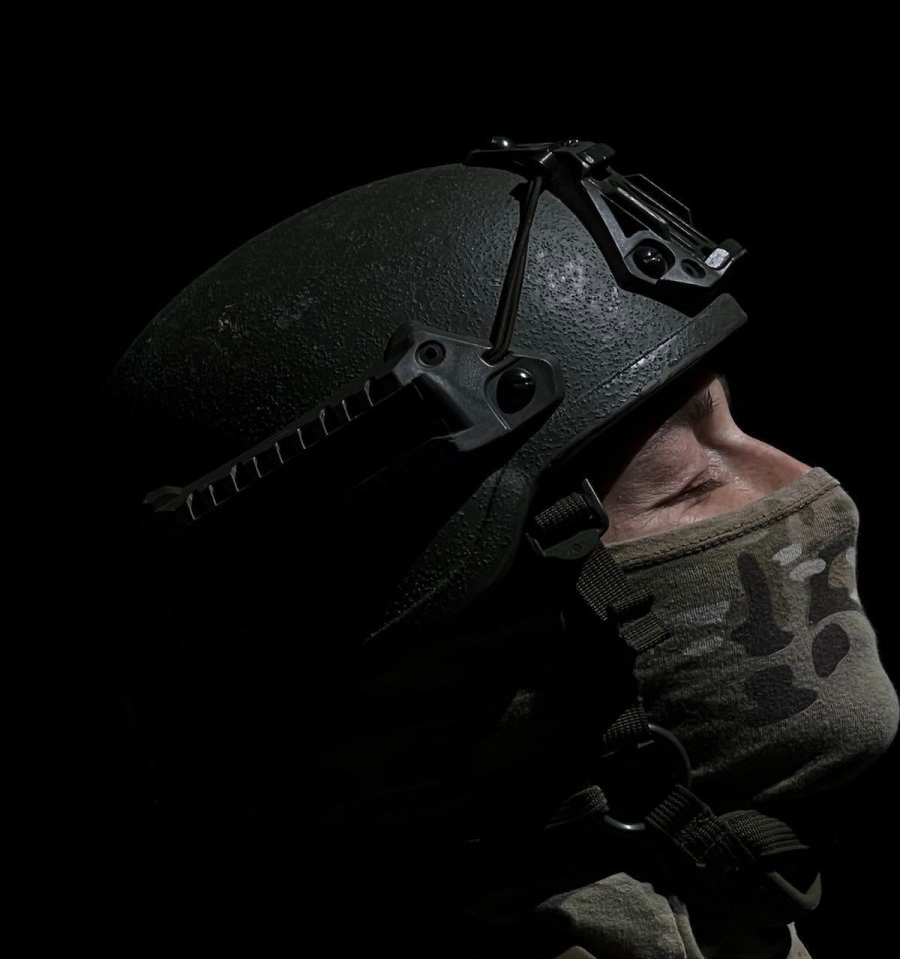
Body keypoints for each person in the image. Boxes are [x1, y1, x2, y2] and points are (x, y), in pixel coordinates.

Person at [81, 138, 898, 957]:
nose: (806, 486)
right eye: (685, 483)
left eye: (735, 429)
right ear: (455, 636)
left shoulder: (727, 909)